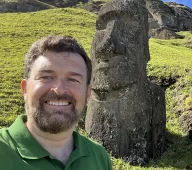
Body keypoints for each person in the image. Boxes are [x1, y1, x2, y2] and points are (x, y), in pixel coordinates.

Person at [0, 35, 113, 170]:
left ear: (88, 93)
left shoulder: (99, 156)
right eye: (46, 77)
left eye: (73, 80)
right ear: (25, 89)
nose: (59, 90)